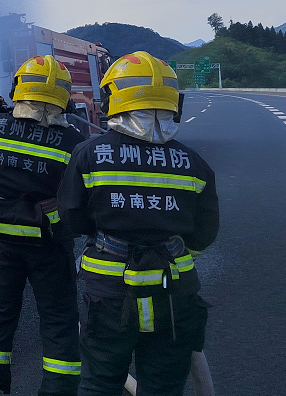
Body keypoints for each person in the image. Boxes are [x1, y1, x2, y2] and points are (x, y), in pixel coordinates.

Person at [57, 51, 220, 396]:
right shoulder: (194, 162)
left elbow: (72, 216)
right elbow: (206, 230)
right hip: (174, 292)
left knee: (100, 383)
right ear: (175, 102)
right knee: (163, 385)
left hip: (109, 293)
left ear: (112, 99)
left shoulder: (89, 153)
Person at [0, 55, 86, 396]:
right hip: (49, 243)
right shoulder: (73, 142)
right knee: (59, 320)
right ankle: (58, 389)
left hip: (1, 241)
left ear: (19, 88)